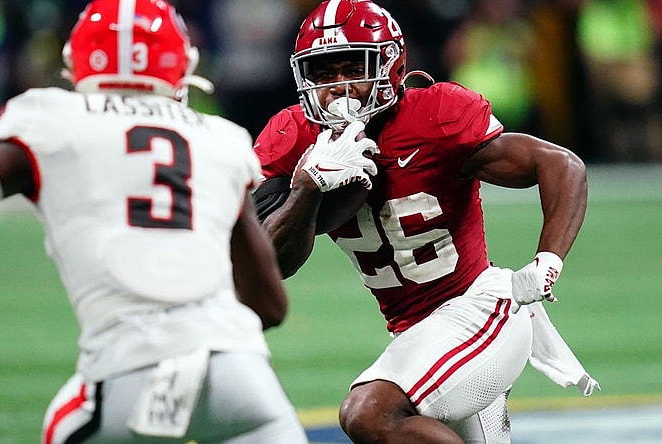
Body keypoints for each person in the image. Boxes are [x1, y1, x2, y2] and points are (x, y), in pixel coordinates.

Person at [0, 1, 309, 442]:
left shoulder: (49, 121)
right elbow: (269, 305)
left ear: (76, 63)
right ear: (182, 64)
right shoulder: (220, 139)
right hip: (242, 374)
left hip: (129, 369)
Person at [252, 1, 599, 443]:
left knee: (369, 414)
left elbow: (560, 164)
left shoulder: (434, 116)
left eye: (353, 68)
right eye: (324, 72)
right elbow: (273, 262)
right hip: (419, 335)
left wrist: (548, 261)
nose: (340, 88)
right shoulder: (293, 137)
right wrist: (308, 186)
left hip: (480, 310)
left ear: (390, 65)